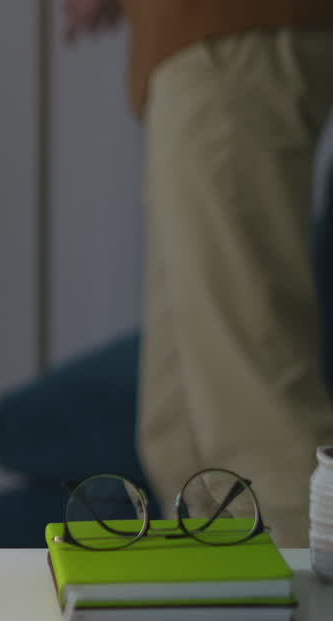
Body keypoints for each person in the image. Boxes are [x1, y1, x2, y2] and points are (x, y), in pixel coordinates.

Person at [65, 0, 333, 547]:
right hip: (203, 42)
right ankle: (219, 620)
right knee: (178, 437)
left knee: (255, 421)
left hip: (225, 37)